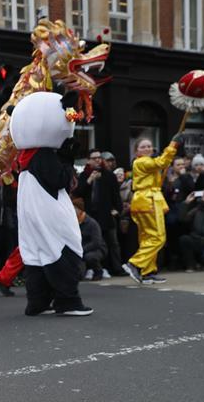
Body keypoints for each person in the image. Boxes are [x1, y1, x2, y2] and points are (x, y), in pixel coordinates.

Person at [8, 91, 92, 316]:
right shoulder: (43, 155)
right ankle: (68, 301)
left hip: (31, 212)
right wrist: (67, 159)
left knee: (36, 256)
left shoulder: (27, 155)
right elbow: (60, 180)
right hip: (48, 210)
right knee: (62, 250)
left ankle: (38, 303)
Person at [122, 134, 184, 284]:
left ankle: (147, 271)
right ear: (137, 151)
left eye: (149, 146)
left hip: (144, 200)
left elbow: (160, 164)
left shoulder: (143, 162)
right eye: (143, 146)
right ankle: (135, 263)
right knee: (158, 237)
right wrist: (173, 145)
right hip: (148, 200)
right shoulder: (143, 161)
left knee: (147, 237)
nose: (147, 148)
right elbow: (162, 162)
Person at [75, 148, 124, 276]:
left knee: (112, 242)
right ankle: (96, 268)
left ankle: (117, 268)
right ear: (88, 161)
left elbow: (116, 195)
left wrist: (117, 210)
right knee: (94, 242)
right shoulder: (84, 175)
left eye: (99, 157)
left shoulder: (108, 175)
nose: (97, 160)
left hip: (106, 214)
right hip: (91, 215)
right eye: (94, 158)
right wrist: (89, 180)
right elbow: (78, 192)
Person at [72, 198, 107, 280]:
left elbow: (96, 242)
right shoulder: (73, 222)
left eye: (74, 208)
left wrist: (82, 250)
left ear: (80, 210)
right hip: (81, 249)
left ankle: (98, 272)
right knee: (78, 276)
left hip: (97, 249)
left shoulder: (92, 223)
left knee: (90, 257)